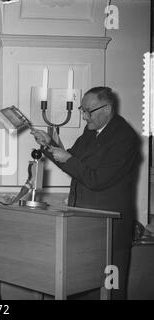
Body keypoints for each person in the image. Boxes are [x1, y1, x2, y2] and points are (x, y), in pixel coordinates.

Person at [31, 87, 140, 300]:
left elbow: (96, 180)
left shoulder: (125, 137)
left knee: (111, 290)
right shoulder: (91, 131)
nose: (83, 116)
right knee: (82, 286)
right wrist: (48, 145)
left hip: (111, 230)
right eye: (82, 110)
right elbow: (71, 160)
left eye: (88, 111)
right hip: (85, 226)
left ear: (107, 109)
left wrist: (68, 158)